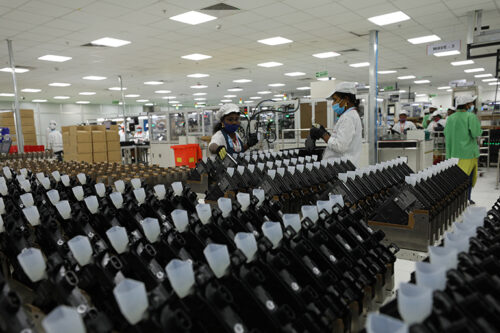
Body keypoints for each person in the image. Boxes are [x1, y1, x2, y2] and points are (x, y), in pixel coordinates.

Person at [309, 82, 362, 166]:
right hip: (341, 166)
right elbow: (341, 140)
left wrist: (323, 135)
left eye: (335, 99)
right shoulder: (349, 115)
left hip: (342, 167)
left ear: (346, 99)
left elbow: (340, 146)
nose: (333, 103)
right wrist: (325, 133)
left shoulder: (348, 117)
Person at [444, 95, 482, 204]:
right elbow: (476, 133)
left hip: (452, 154)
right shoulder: (470, 117)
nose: (471, 106)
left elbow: (446, 133)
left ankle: (456, 201)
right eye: (470, 103)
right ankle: (466, 199)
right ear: (466, 105)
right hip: (467, 154)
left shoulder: (450, 118)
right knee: (467, 179)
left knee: (454, 180)